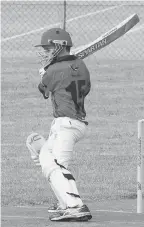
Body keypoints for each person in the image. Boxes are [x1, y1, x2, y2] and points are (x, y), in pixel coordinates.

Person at [26, 27, 92, 221]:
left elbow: (43, 89)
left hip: (67, 124)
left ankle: (75, 206)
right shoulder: (81, 65)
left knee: (57, 166)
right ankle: (64, 203)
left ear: (59, 47)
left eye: (48, 49)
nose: (45, 52)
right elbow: (86, 88)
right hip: (72, 123)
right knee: (46, 159)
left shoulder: (54, 70)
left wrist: (44, 74)